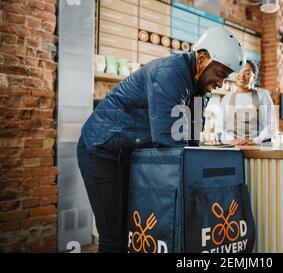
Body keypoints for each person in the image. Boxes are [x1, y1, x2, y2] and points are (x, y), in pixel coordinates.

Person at [76, 27, 244, 252]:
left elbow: (191, 140)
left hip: (129, 153)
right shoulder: (169, 73)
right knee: (114, 237)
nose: (222, 84)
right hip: (101, 150)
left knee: (134, 230)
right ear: (203, 57)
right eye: (221, 74)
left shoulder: (198, 86)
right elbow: (170, 142)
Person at [219, 60, 276, 146]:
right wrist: (231, 141)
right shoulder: (226, 99)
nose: (242, 76)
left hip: (257, 147)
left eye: (247, 73)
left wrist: (256, 141)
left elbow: (272, 124)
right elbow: (219, 128)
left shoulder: (263, 95)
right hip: (232, 148)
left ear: (254, 78)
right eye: (239, 71)